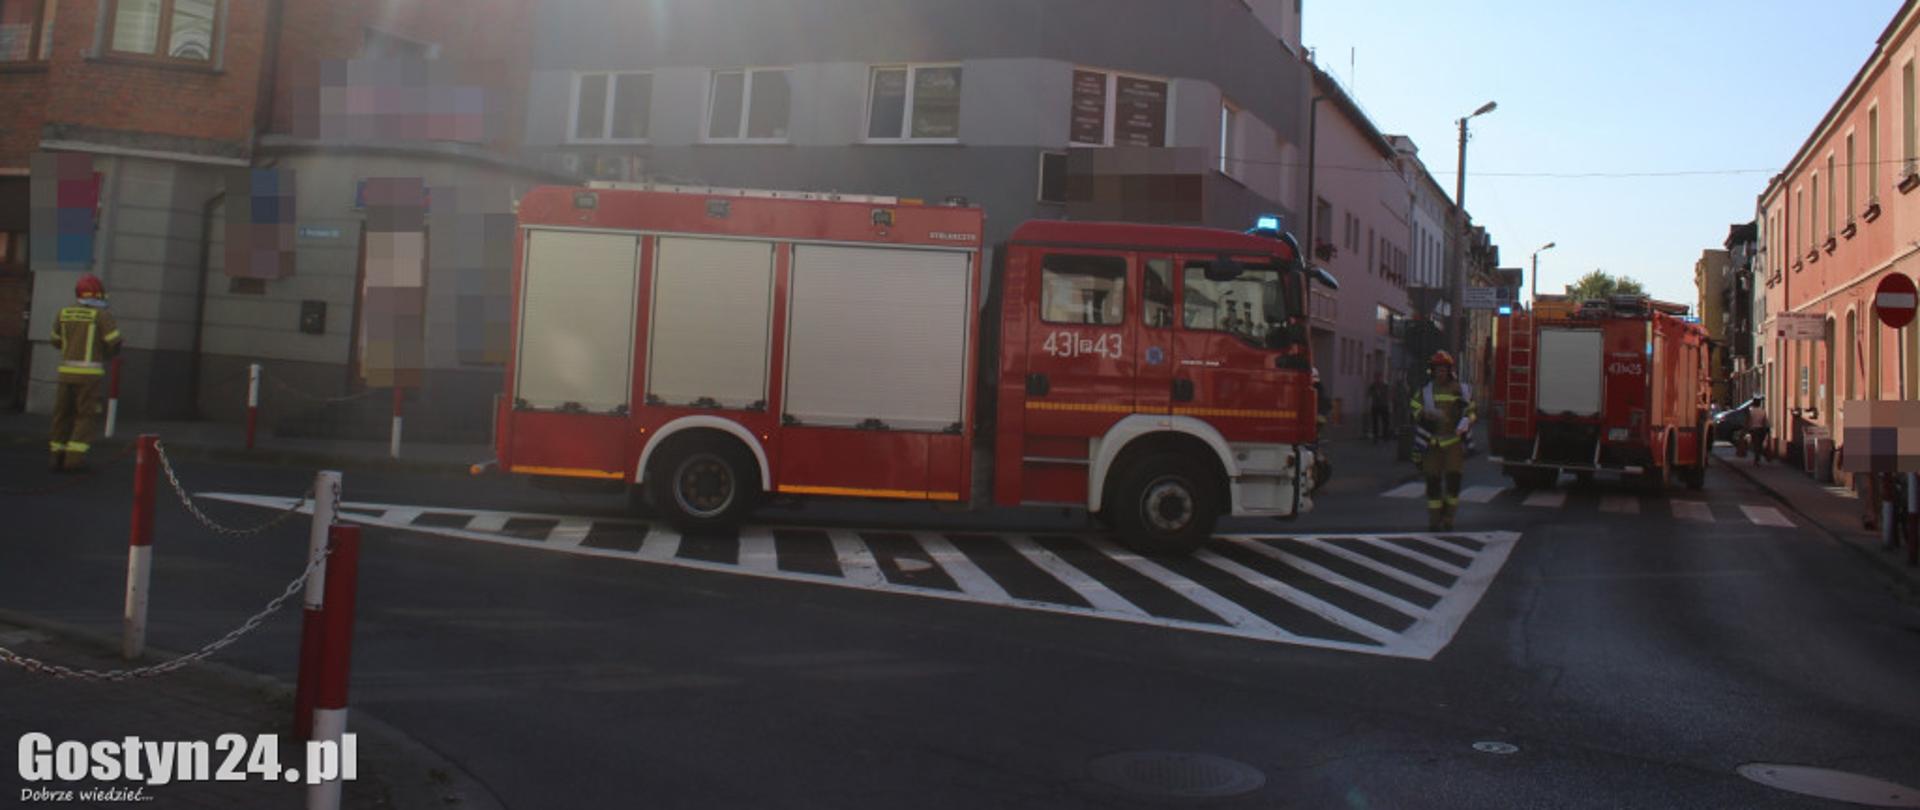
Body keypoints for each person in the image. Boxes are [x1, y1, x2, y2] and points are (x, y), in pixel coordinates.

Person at [47, 273, 122, 473]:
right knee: (85, 416)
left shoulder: (63, 313)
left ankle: (56, 456)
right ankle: (74, 459)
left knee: (62, 414)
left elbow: (55, 341)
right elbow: (114, 341)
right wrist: (106, 354)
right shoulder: (101, 315)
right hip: (89, 376)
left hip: (65, 374)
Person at [1410, 351, 1475, 531]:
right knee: (1433, 484)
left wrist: (1467, 419)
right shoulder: (1425, 391)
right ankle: (1434, 520)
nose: (1440, 373)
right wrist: (1424, 414)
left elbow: (1471, 410)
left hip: (1453, 442)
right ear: (1432, 371)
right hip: (1432, 444)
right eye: (1437, 370)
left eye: (1443, 370)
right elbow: (1414, 407)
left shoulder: (1460, 390)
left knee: (1453, 483)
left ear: (1449, 370)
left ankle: (1448, 519)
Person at [1366, 372, 1391, 443]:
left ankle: (1385, 436)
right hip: (1375, 406)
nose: (1377, 379)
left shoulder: (1385, 385)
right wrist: (1372, 394)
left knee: (1385, 422)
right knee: (1375, 422)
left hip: (1384, 405)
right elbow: (1368, 394)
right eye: (1376, 377)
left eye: (1379, 377)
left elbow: (1388, 394)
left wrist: (1387, 399)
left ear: (1381, 378)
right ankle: (1375, 437)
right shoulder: (1372, 386)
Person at [1745, 397, 1769, 466]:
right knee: (1759, 444)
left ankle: (1756, 459)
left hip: (1753, 429)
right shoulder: (1762, 411)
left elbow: (1748, 421)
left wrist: (1746, 429)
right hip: (1761, 429)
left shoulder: (1750, 411)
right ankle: (1758, 458)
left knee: (1755, 444)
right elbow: (1765, 421)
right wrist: (1766, 429)